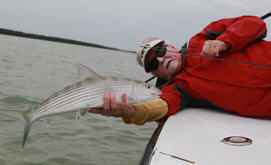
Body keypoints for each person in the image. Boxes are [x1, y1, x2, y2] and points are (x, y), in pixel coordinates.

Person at [88, 15, 271, 125]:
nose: (161, 59)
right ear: (156, 74)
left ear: (172, 46)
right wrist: (128, 111)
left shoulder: (203, 36)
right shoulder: (177, 89)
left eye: (160, 50)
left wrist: (224, 41)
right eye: (153, 64)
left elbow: (254, 23)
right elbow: (158, 107)